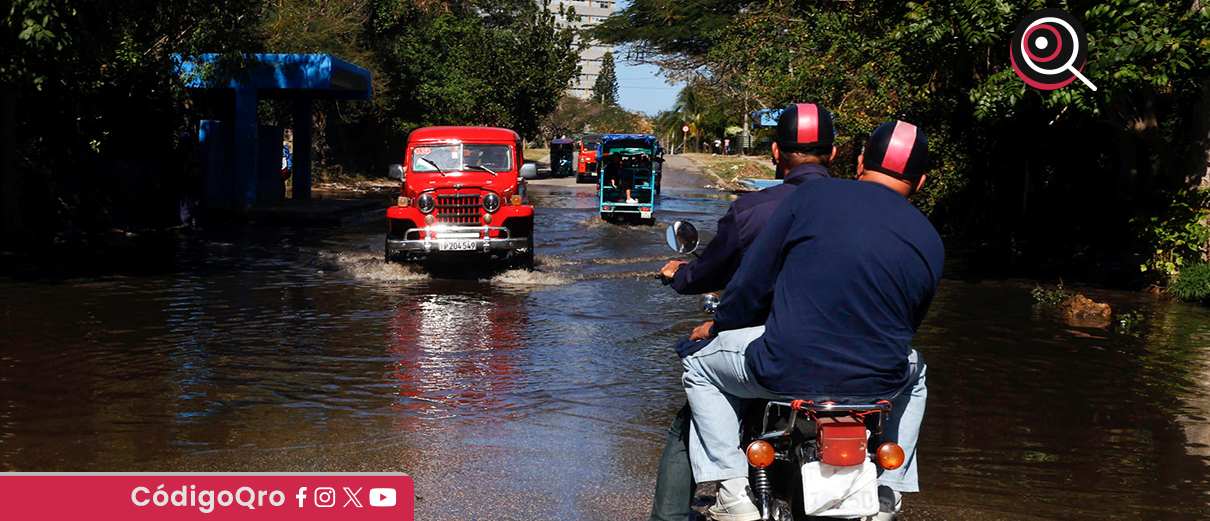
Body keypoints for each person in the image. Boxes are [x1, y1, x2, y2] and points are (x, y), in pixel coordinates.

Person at [681, 120, 941, 521]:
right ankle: (889, 490)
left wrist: (717, 329)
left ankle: (731, 490)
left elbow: (752, 281)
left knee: (699, 367)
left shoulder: (816, 195)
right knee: (917, 373)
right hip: (878, 382)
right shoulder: (930, 239)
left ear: (857, 163)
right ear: (920, 182)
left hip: (783, 369)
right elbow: (908, 325)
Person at [649, 103, 837, 521]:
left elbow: (730, 279)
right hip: (849, 359)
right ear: (836, 154)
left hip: (769, 351)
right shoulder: (858, 211)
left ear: (775, 152)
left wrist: (683, 282)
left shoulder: (756, 210)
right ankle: (887, 495)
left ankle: (684, 512)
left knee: (692, 407)